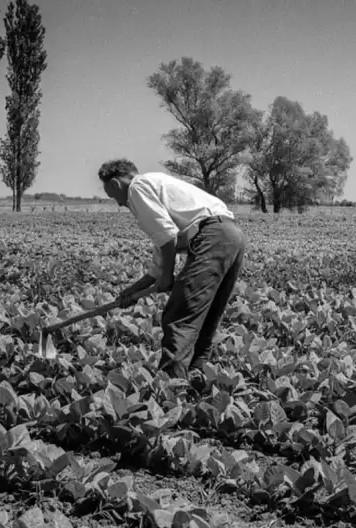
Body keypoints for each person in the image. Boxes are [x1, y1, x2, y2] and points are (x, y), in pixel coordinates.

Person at [98, 159, 246, 379]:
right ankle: (196, 379)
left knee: (179, 315)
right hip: (231, 235)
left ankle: (171, 387)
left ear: (115, 184)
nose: (119, 204)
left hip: (212, 236)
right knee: (205, 317)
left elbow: (167, 238)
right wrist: (133, 291)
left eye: (114, 198)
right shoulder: (157, 185)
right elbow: (161, 255)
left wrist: (167, 276)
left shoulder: (136, 189)